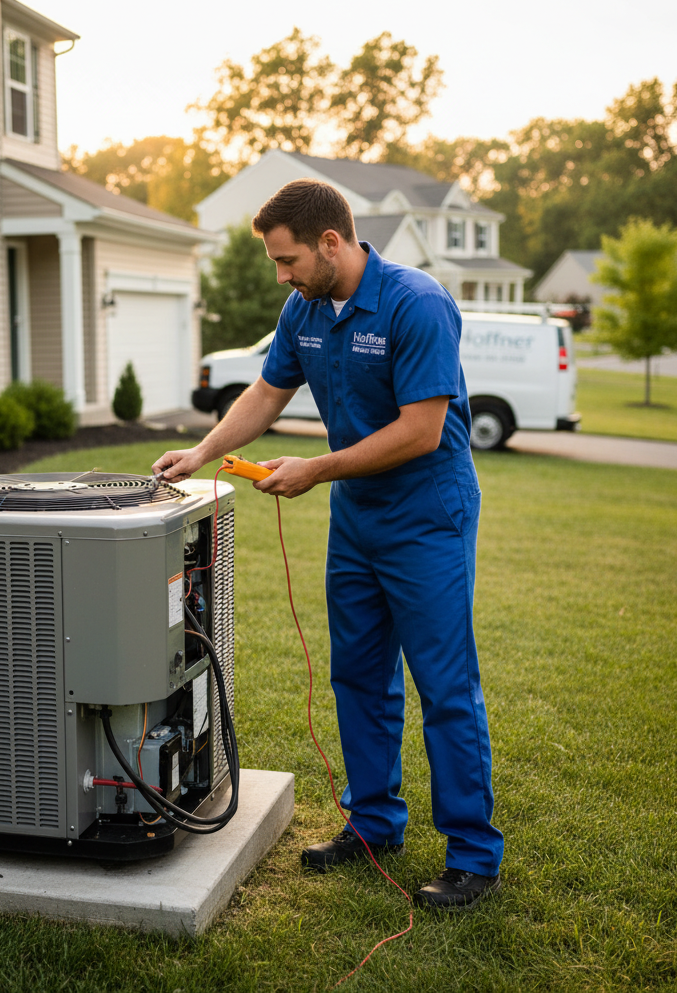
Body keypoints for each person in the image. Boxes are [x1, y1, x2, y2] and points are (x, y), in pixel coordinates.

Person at [153, 178, 503, 910]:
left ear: (331, 243)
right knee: (359, 676)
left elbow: (422, 429)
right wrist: (199, 451)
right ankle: (374, 827)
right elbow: (266, 393)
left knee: (444, 688)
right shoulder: (303, 308)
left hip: (427, 516)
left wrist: (316, 468)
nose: (281, 276)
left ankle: (473, 856)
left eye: (287, 260)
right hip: (358, 519)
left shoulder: (417, 302)